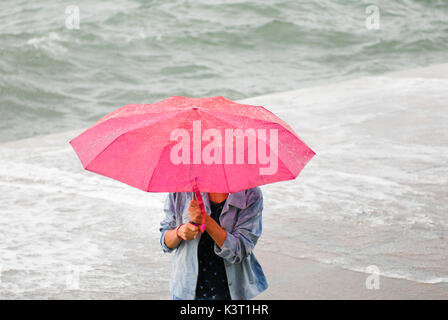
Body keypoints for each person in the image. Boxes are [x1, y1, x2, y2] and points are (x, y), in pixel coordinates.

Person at [159, 187, 268, 300]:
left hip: (229, 292)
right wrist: (179, 232)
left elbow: (240, 250)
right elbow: (164, 242)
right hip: (185, 291)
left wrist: (206, 220)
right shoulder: (181, 188)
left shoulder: (250, 193)